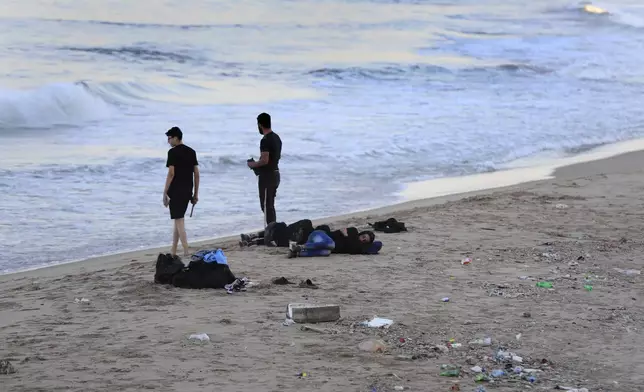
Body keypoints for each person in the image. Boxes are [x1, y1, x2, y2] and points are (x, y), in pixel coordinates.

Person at [163, 126, 199, 257]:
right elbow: (196, 174)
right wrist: (195, 193)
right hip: (187, 190)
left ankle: (186, 251)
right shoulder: (192, 152)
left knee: (179, 221)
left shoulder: (172, 153)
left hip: (176, 191)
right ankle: (173, 251)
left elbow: (171, 174)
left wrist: (165, 192)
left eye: (169, 138)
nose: (168, 141)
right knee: (178, 220)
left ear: (176, 138)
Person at [247, 112, 282, 227]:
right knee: (270, 205)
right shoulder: (277, 138)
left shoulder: (265, 140)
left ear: (260, 125)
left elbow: (265, 160)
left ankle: (273, 230)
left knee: (266, 206)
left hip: (268, 177)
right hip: (275, 174)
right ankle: (274, 228)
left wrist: (253, 164)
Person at [288, 226, 380, 258]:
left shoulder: (356, 247)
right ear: (361, 234)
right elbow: (339, 233)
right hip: (319, 235)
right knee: (331, 244)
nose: (363, 239)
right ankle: (300, 247)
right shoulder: (353, 231)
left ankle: (297, 253)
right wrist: (346, 236)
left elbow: (353, 249)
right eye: (363, 237)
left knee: (327, 252)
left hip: (323, 246)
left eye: (365, 240)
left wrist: (346, 236)